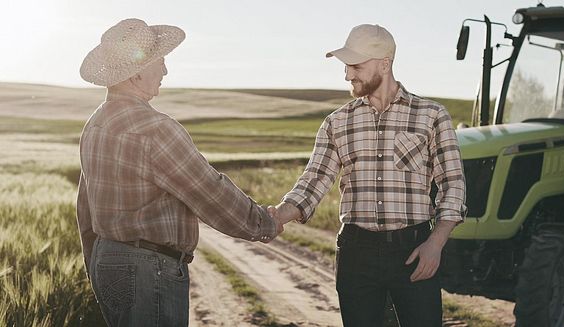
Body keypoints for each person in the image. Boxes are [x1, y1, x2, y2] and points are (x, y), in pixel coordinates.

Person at [76, 18, 281, 326]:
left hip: (109, 262)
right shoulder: (154, 128)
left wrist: (97, 260)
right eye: (161, 61)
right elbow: (210, 192)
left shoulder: (95, 124)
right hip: (150, 270)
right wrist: (264, 223)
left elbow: (85, 208)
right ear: (138, 72)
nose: (166, 70)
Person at [270, 24, 466, 326]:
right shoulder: (337, 122)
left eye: (355, 65)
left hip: (413, 249)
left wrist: (435, 244)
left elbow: (452, 185)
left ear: (384, 64)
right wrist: (276, 216)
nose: (348, 75)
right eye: (346, 66)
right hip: (355, 253)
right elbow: (313, 181)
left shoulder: (432, 116)